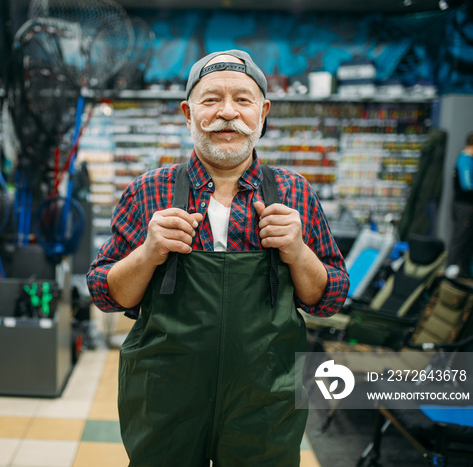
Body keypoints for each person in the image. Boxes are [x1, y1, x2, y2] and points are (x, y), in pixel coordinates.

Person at [86, 49, 349, 466]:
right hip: (164, 398)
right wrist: (148, 252)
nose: (228, 113)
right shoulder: (147, 191)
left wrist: (297, 251)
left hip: (265, 400)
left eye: (242, 100)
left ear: (262, 112)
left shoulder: (294, 194)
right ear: (188, 114)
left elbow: (330, 298)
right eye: (211, 100)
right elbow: (106, 294)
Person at [446, 132, 473, 279]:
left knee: (469, 238)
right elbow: (467, 184)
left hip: (468, 205)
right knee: (461, 237)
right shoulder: (466, 160)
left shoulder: (470, 160)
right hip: (465, 206)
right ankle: (450, 270)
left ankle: (464, 271)